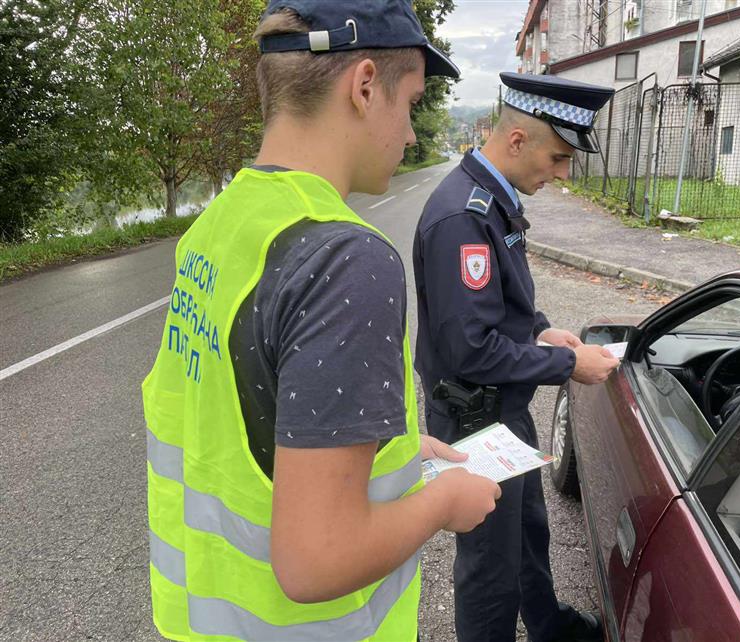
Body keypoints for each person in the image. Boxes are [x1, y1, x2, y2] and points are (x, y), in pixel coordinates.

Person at [141, 2, 501, 641]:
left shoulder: (217, 228)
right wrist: (444, 502)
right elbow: (315, 562)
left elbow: (246, 412)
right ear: (364, 87)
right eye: (411, 103)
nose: (413, 134)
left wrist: (386, 448)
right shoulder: (345, 259)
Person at [413, 72, 621, 642]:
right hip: (474, 418)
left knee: (528, 531)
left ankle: (549, 626)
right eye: (557, 157)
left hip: (503, 409)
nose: (562, 172)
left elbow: (502, 304)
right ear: (516, 141)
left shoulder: (495, 202)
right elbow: (471, 349)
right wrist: (568, 367)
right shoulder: (465, 217)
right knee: (489, 567)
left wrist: (544, 332)